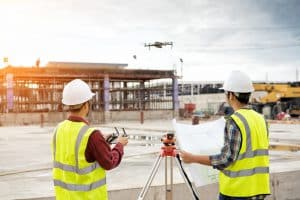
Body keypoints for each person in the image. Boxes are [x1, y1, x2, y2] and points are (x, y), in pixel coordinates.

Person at [180, 71, 270, 200]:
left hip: (238, 191)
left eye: (226, 93)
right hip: (258, 189)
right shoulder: (261, 119)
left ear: (231, 95)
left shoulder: (235, 121)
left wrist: (192, 158)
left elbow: (226, 159)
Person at [52, 79, 128, 200]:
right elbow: (109, 162)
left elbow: (75, 153)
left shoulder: (58, 130)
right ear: (86, 105)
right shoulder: (92, 135)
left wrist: (101, 142)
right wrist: (119, 145)